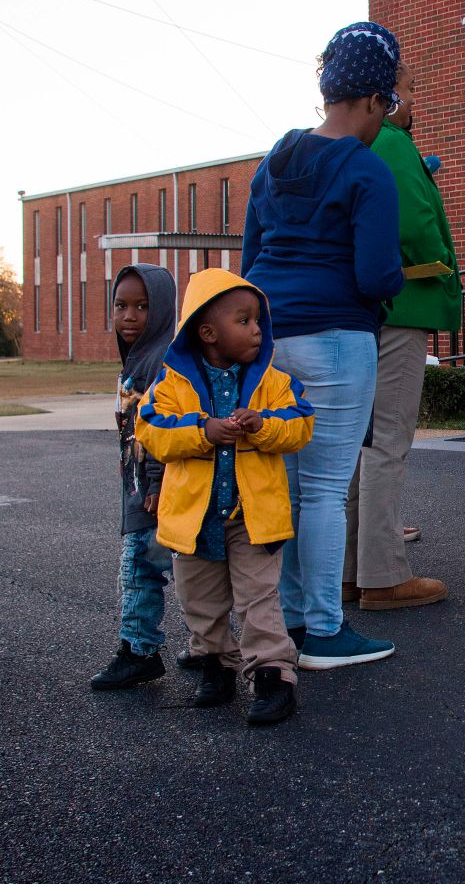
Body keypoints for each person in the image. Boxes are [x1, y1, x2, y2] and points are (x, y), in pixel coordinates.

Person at [242, 20, 405, 669]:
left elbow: (253, 258)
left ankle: (285, 620)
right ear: (371, 98)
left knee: (281, 486)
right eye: (385, 106)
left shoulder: (275, 158)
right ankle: (326, 630)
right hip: (337, 336)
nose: (383, 119)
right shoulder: (367, 170)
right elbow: (374, 273)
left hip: (270, 335)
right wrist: (394, 283)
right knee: (326, 489)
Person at [136, 269, 312, 724]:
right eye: (244, 320)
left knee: (259, 599)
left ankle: (273, 675)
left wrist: (263, 426)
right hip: (194, 520)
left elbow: (301, 423)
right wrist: (203, 431)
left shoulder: (274, 382)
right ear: (208, 331)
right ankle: (216, 664)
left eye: (257, 320)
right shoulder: (170, 384)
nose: (257, 329)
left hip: (254, 518)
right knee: (201, 600)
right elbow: (150, 430)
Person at [344, 62, 458, 610]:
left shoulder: (349, 143)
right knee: (388, 442)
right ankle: (384, 576)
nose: (413, 102)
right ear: (384, 95)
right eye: (410, 90)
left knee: (357, 446)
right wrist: (441, 262)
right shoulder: (392, 141)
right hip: (401, 303)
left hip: (359, 313)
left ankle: (348, 570)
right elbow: (415, 226)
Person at [90, 264, 182, 691]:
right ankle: (210, 645)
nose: (129, 316)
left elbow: (163, 428)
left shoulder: (158, 361)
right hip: (139, 488)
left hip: (151, 494)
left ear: (162, 310)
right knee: (179, 570)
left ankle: (139, 650)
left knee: (140, 569)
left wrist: (156, 485)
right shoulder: (139, 359)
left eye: (143, 307)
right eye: (121, 305)